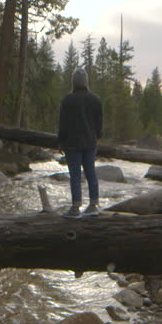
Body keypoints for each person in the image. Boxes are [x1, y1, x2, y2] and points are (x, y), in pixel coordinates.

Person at [57, 68, 103, 216]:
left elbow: (63, 123)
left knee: (75, 176)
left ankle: (76, 207)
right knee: (91, 173)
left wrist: (60, 141)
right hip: (90, 143)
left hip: (72, 144)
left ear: (74, 82)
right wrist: (98, 137)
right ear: (86, 82)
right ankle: (94, 204)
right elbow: (99, 123)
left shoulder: (67, 100)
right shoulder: (95, 99)